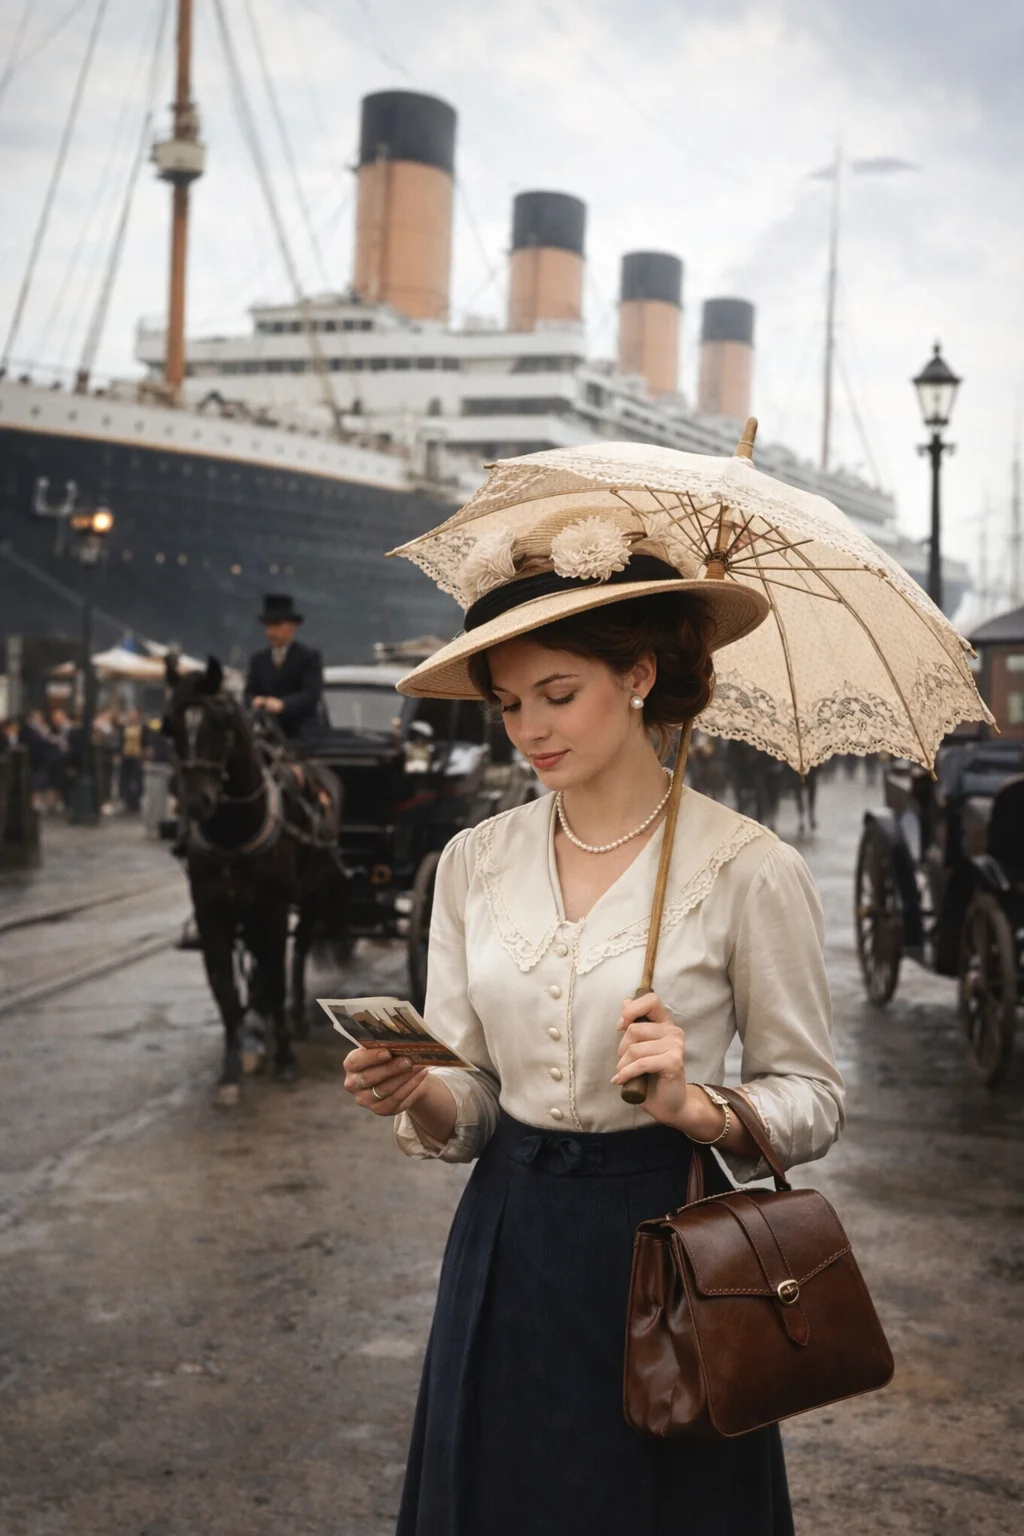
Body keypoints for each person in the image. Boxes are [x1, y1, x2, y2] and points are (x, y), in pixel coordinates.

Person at [342, 510, 845, 1536]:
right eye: (509, 703)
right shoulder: (472, 863)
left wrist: (697, 1104)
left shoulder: (750, 869)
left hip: (667, 1257)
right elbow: (470, 1097)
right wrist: (420, 1090)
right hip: (507, 1237)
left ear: (641, 675)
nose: (530, 728)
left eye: (557, 694)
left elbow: (813, 1097)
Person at [244, 593, 323, 742]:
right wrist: (255, 701)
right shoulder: (258, 660)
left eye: (278, 626)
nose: (272, 632)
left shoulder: (308, 657)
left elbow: (311, 694)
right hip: (266, 734)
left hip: (302, 736)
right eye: (269, 626)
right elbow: (248, 693)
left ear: (292, 626)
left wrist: (284, 704)